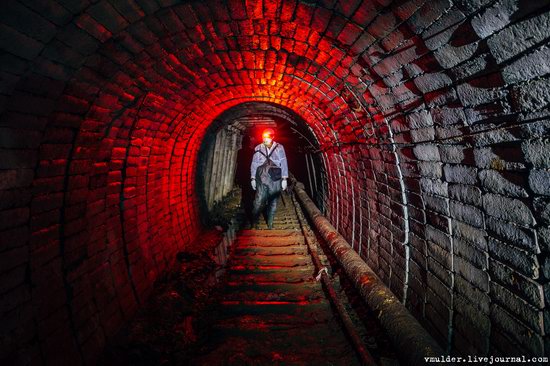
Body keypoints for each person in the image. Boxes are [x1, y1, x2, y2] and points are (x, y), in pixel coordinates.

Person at [250, 128, 288, 229]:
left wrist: (284, 178)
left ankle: (270, 224)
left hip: (275, 178)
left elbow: (283, 162)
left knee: (273, 201)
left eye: (267, 137)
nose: (265, 139)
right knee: (258, 200)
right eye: (263, 137)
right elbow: (254, 163)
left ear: (273, 137)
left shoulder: (279, 147)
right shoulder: (258, 148)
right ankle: (254, 223)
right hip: (261, 177)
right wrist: (253, 178)